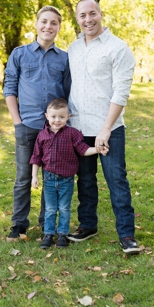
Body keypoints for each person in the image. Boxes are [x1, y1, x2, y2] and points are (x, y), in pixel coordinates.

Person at [66, 0, 140, 255]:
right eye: (83, 15)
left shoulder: (118, 48)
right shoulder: (73, 49)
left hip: (108, 128)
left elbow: (121, 92)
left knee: (116, 179)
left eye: (92, 13)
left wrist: (106, 128)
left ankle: (127, 234)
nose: (88, 19)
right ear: (77, 19)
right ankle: (88, 225)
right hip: (78, 126)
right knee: (84, 180)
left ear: (100, 14)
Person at [2, 6, 71, 241]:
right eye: (44, 21)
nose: (48, 27)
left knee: (51, 177)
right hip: (28, 126)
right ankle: (19, 224)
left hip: (55, 129)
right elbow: (9, 88)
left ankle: (46, 223)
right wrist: (17, 123)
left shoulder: (64, 58)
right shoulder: (19, 54)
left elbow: (68, 92)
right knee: (23, 178)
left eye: (54, 23)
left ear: (59, 27)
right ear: (36, 24)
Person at [30, 98, 104, 249]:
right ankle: (48, 234)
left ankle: (62, 234)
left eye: (62, 117)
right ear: (47, 116)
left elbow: (83, 150)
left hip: (66, 179)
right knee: (50, 208)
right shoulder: (42, 135)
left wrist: (97, 149)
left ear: (68, 117)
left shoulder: (72, 134)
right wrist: (34, 176)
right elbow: (36, 157)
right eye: (54, 117)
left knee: (64, 208)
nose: (57, 120)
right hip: (49, 178)